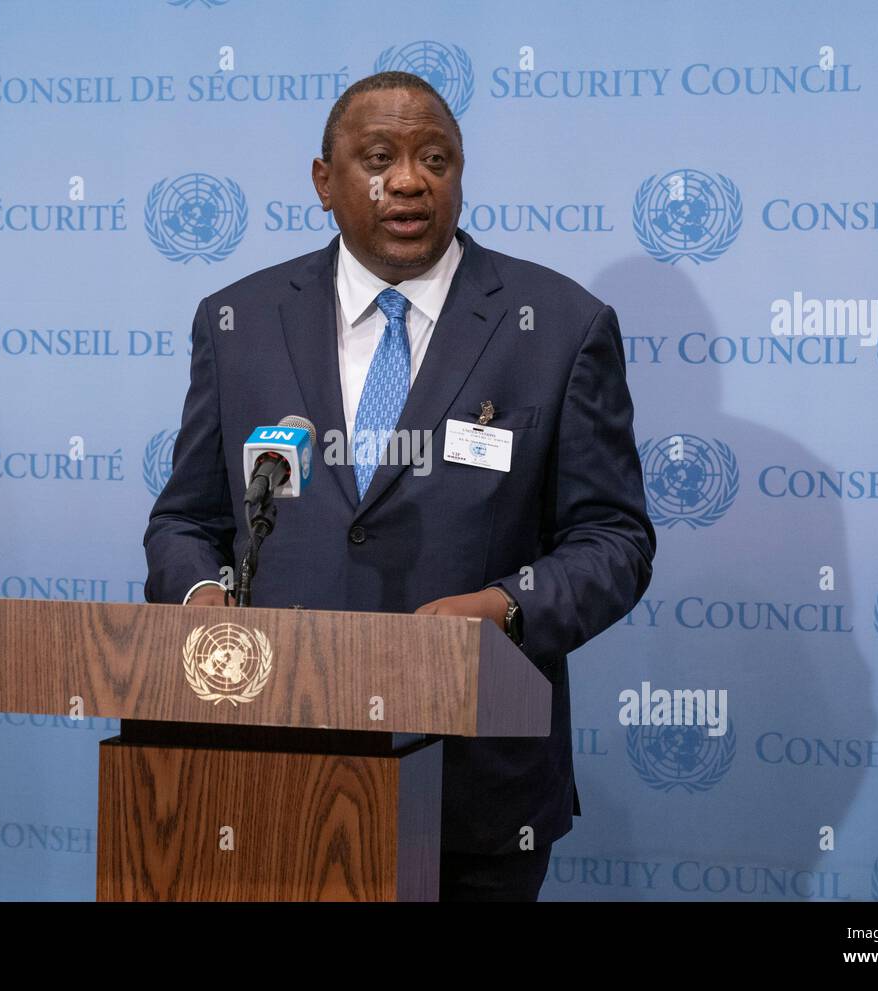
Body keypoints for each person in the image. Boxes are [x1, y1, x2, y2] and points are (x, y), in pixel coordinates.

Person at [143, 70, 655, 901]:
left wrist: (503, 610)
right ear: (323, 181)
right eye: (378, 157)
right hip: (266, 764)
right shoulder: (239, 322)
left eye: (436, 158)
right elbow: (186, 520)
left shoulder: (558, 326)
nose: (410, 180)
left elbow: (616, 542)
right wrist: (202, 597)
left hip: (474, 789)